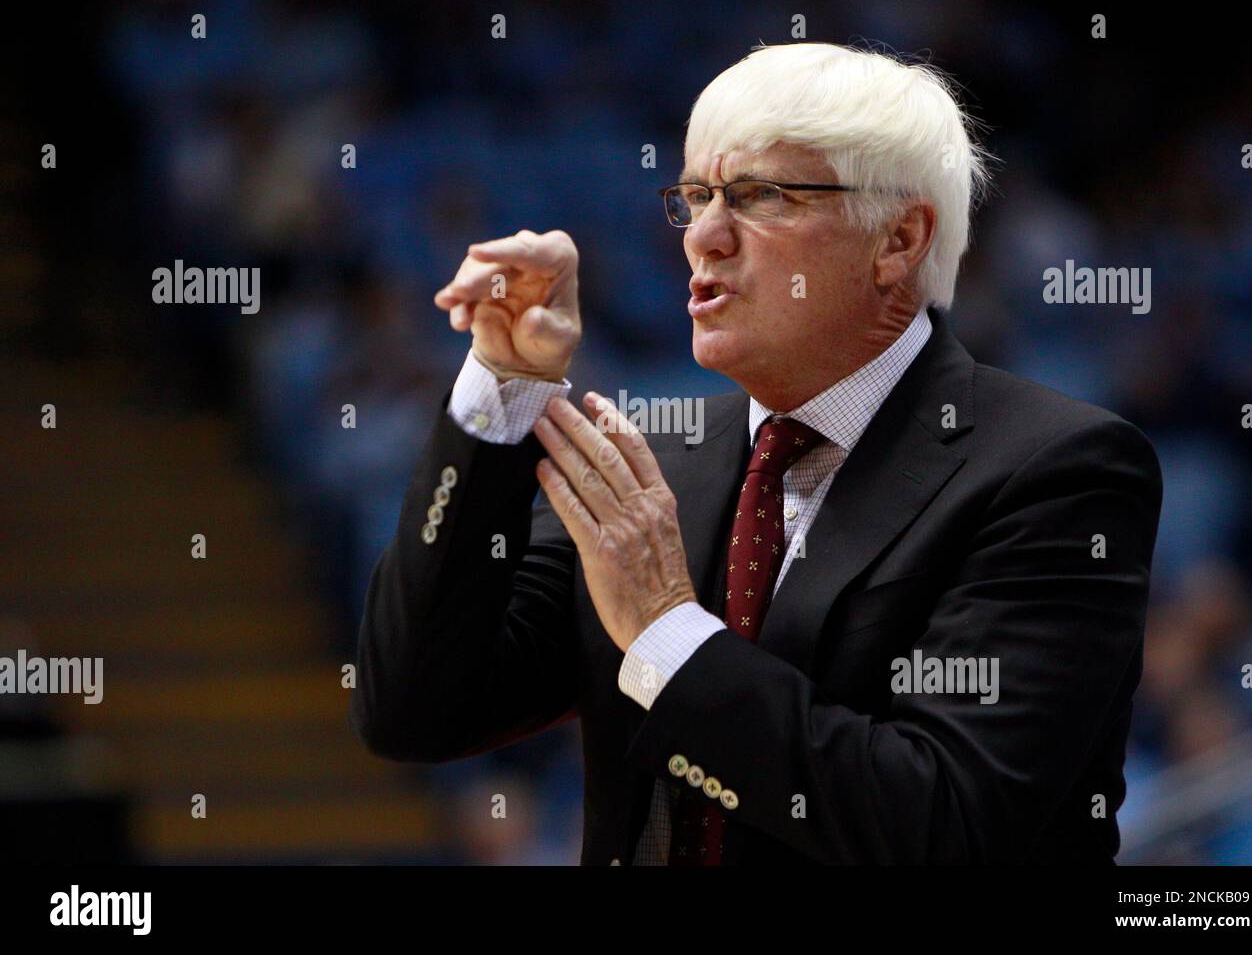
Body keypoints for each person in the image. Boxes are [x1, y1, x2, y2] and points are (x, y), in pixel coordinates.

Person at [349, 42, 1163, 865]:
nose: (703, 236)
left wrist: (667, 629)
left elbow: (943, 822)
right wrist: (500, 392)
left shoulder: (1056, 471)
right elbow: (415, 707)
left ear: (898, 239)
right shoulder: (658, 462)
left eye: (759, 195)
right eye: (696, 196)